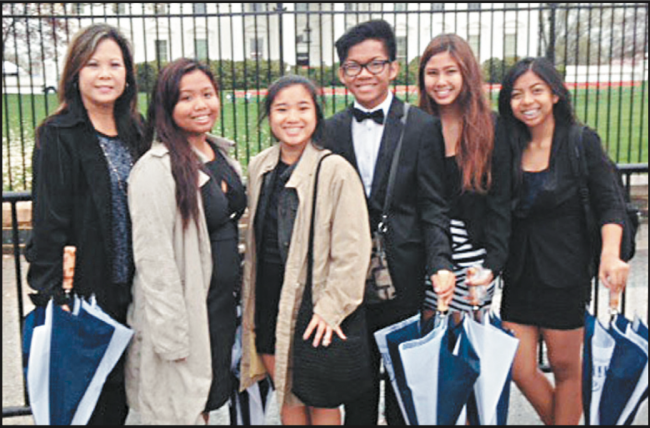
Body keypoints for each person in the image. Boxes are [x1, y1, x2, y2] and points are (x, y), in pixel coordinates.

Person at [324, 20, 455, 425]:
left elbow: (434, 205)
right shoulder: (330, 130)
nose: (364, 74)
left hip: (405, 272)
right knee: (357, 386)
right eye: (353, 66)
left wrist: (441, 264)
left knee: (402, 382)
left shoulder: (422, 127)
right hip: (348, 278)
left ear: (394, 68)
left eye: (374, 64)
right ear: (342, 73)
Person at [498, 57, 630, 425]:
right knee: (520, 368)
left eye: (536, 91)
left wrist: (610, 254)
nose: (527, 101)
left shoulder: (580, 141)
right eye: (517, 94)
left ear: (555, 93)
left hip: (565, 271)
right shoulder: (510, 144)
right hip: (520, 273)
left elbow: (610, 204)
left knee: (566, 368)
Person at [25, 23, 144, 425]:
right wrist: (50, 294)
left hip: (135, 291)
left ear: (128, 74)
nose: (105, 74)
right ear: (75, 73)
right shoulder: (59, 135)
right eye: (93, 64)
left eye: (115, 64)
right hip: (87, 296)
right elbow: (49, 224)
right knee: (87, 408)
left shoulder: (138, 133)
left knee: (122, 402)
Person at [238, 75, 372, 425]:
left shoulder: (336, 171)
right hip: (269, 303)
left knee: (321, 401)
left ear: (316, 114)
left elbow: (353, 250)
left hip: (314, 308)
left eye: (302, 107)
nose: (292, 117)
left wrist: (331, 308)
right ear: (269, 115)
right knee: (287, 397)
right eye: (282, 109)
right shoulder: (260, 165)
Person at [125, 58, 245, 424]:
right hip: (187, 314)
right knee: (180, 409)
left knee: (204, 404)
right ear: (167, 106)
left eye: (207, 94)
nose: (201, 105)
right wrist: (172, 337)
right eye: (187, 97)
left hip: (221, 310)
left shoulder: (221, 155)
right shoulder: (155, 169)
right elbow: (154, 260)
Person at [416, 34, 511, 321]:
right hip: (428, 250)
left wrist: (491, 265)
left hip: (474, 252)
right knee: (429, 335)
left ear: (466, 74)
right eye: (432, 73)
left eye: (450, 72)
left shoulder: (491, 127)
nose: (441, 81)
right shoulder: (416, 124)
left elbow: (501, 203)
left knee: (467, 340)